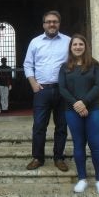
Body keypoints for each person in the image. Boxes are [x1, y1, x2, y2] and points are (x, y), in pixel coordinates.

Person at [58, 34, 99, 195]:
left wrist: (84, 102)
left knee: (95, 144)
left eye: (81, 44)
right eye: (75, 45)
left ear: (85, 47)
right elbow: (62, 88)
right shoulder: (65, 67)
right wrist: (77, 104)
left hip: (94, 109)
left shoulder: (95, 65)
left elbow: (98, 85)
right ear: (70, 47)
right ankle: (82, 179)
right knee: (78, 144)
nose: (78, 47)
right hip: (72, 110)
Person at [23, 10, 71, 172]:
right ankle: (38, 157)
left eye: (55, 21)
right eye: (48, 21)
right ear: (43, 24)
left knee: (62, 126)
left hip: (63, 90)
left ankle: (59, 157)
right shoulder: (35, 42)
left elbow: (75, 62)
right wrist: (33, 83)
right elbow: (28, 64)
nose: (52, 24)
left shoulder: (68, 41)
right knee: (39, 126)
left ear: (59, 24)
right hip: (42, 90)